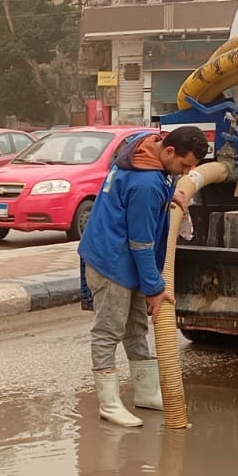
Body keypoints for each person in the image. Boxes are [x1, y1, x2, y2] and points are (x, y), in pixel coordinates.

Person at [78, 126, 209, 427]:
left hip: (121, 254)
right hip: (112, 262)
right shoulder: (147, 183)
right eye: (184, 165)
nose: (186, 172)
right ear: (169, 151)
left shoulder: (144, 146)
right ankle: (109, 404)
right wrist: (154, 287)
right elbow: (141, 242)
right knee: (109, 330)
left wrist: (170, 191)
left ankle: (147, 393)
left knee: (135, 327)